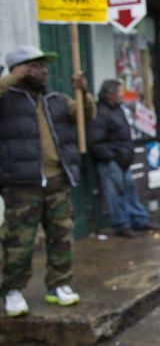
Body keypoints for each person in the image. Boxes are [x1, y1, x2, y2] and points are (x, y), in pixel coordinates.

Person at [0, 45, 96, 317]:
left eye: (44, 66)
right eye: (37, 66)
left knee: (61, 235)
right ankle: (12, 289)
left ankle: (59, 284)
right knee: (19, 241)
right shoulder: (7, 99)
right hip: (21, 183)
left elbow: (85, 115)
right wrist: (11, 78)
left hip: (57, 180)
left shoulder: (56, 99)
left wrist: (84, 93)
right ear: (20, 69)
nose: (44, 71)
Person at [88, 80, 149, 238]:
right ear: (110, 95)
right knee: (116, 192)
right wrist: (112, 155)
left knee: (129, 190)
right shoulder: (100, 112)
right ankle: (123, 224)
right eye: (119, 92)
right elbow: (96, 141)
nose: (122, 95)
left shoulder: (118, 110)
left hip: (122, 158)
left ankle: (138, 219)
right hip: (112, 159)